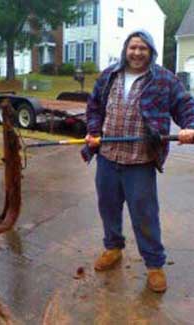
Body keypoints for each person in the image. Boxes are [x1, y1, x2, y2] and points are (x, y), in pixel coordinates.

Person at [83, 29, 194, 293]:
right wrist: (93, 131)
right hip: (108, 158)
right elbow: (94, 106)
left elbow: (185, 105)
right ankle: (113, 248)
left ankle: (154, 265)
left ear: (151, 51)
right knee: (108, 208)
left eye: (143, 48)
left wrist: (190, 126)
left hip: (140, 161)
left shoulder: (164, 80)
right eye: (133, 47)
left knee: (145, 215)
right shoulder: (110, 75)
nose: (137, 52)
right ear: (125, 49)